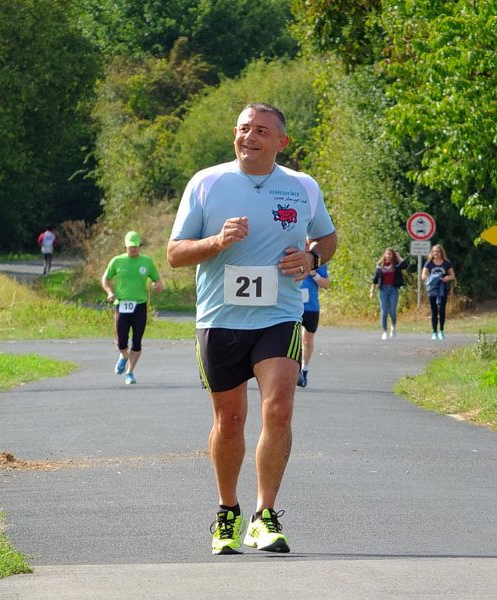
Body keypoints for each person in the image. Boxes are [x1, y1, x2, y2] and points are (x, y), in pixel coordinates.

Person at [167, 102, 337, 555]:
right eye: (244, 128)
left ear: (281, 142)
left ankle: (266, 516)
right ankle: (227, 512)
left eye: (262, 130)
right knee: (230, 420)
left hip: (278, 315)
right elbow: (175, 253)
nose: (250, 137)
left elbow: (327, 237)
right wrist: (217, 242)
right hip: (220, 317)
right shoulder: (207, 182)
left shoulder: (302, 187)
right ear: (234, 135)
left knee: (278, 410)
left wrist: (313, 258)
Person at [101, 231, 163, 385]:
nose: (133, 250)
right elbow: (106, 278)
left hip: (140, 305)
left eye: (135, 247)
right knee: (121, 340)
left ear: (139, 246)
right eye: (130, 247)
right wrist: (109, 292)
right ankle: (123, 355)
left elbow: (157, 279)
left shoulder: (147, 262)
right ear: (125, 246)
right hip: (122, 304)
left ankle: (130, 372)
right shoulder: (117, 261)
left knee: (137, 341)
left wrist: (157, 285)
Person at [297, 243, 330, 387]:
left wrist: (314, 275)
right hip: (292, 306)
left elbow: (326, 284)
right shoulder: (290, 259)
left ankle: (304, 369)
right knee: (292, 339)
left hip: (311, 307)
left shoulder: (316, 262)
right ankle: (295, 370)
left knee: (307, 340)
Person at [369, 247, 408, 340]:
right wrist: (372, 291)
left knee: (392, 311)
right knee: (384, 311)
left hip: (393, 289)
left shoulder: (396, 265)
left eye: (390, 254)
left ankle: (393, 326)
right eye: (386, 254)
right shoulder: (379, 266)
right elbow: (375, 280)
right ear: (384, 255)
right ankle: (384, 331)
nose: (388, 256)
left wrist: (398, 256)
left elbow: (405, 265)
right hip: (383, 290)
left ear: (392, 255)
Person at [422, 244, 456, 340]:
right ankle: (434, 332)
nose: (436, 253)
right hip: (432, 289)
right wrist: (432, 278)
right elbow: (423, 276)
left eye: (438, 251)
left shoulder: (446, 263)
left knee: (442, 310)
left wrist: (446, 278)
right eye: (434, 251)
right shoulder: (429, 263)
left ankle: (441, 331)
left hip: (443, 288)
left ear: (441, 253)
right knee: (434, 311)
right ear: (432, 253)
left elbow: (452, 275)